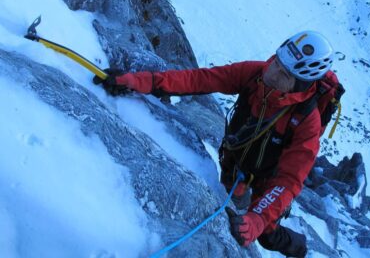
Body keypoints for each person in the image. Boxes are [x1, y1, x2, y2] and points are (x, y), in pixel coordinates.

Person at [94, 30, 338, 257]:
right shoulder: (255, 74)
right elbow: (200, 80)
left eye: (283, 74)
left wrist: (259, 218)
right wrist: (141, 81)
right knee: (233, 194)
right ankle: (241, 198)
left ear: (301, 84)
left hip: (268, 179)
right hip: (234, 157)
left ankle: (302, 248)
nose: (271, 72)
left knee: (265, 235)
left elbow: (289, 180)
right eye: (276, 62)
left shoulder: (307, 122)